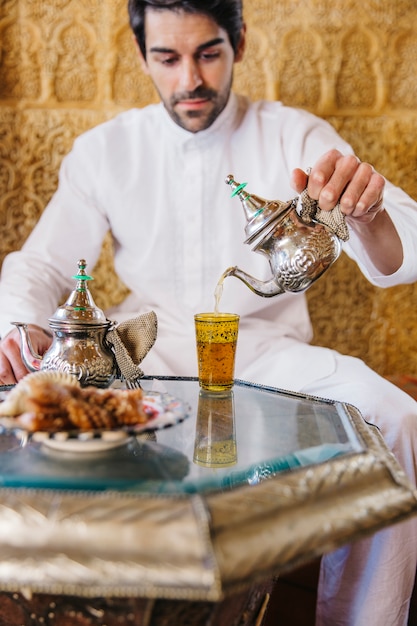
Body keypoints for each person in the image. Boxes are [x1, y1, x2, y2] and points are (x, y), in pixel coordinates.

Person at [0, 0, 416, 623]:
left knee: (398, 418)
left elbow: (401, 250)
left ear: (240, 44)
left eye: (208, 54)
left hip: (266, 351)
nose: (189, 79)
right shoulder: (105, 151)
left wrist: (368, 211)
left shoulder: (293, 135)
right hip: (142, 351)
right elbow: (42, 266)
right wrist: (20, 326)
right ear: (142, 56)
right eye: (167, 58)